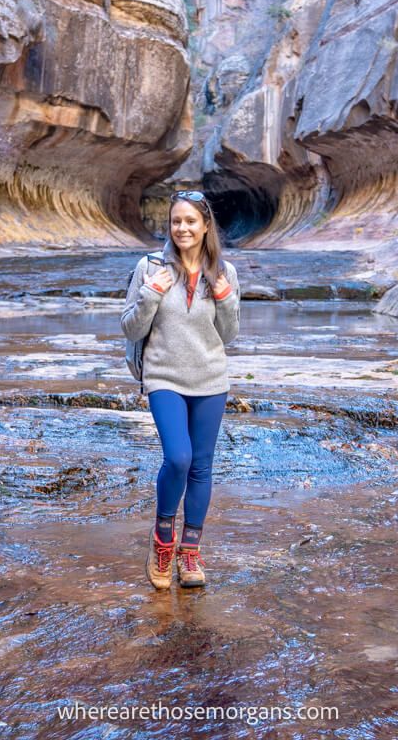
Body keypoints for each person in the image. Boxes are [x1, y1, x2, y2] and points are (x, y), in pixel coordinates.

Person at [120, 190, 241, 590]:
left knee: (202, 466)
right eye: (176, 221)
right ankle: (163, 543)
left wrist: (224, 298)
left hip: (210, 380)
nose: (183, 228)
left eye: (191, 221)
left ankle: (191, 552)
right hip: (164, 377)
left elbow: (229, 336)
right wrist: (151, 293)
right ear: (169, 226)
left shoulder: (224, 271)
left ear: (206, 226)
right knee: (179, 458)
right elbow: (131, 328)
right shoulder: (149, 266)